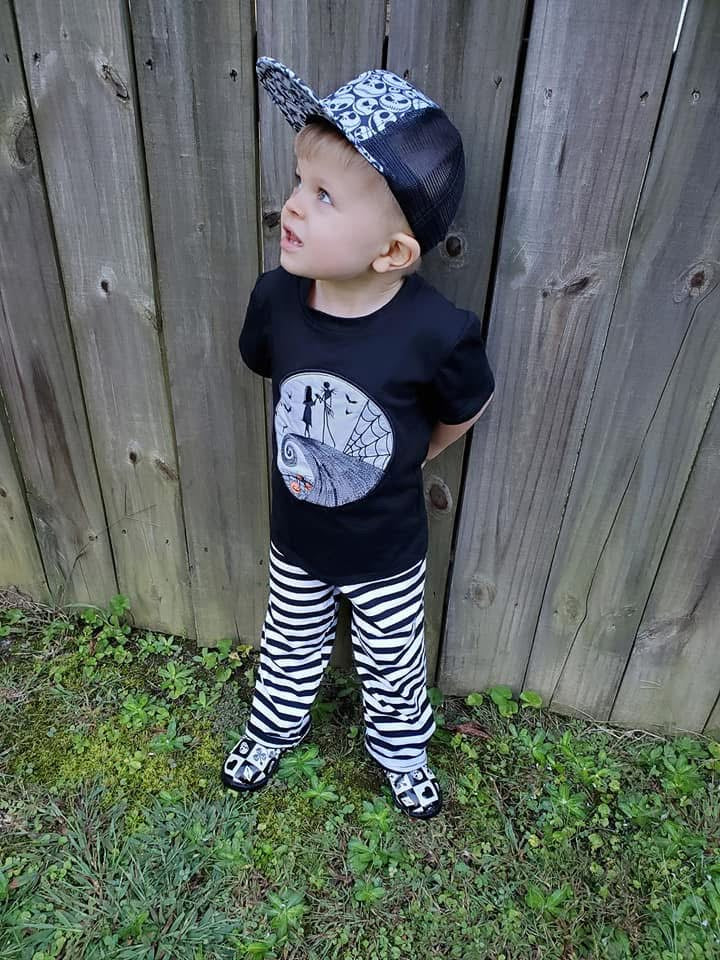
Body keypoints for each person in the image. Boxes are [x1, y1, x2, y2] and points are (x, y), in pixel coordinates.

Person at [221, 58, 495, 819]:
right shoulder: (277, 300)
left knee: (393, 664)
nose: (292, 205)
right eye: (299, 181)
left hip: (388, 553)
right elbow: (273, 377)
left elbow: (469, 403)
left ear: (394, 252)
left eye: (324, 195)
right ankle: (272, 731)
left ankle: (403, 754)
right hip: (298, 538)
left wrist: (424, 449)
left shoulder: (436, 332)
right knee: (288, 645)